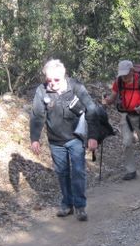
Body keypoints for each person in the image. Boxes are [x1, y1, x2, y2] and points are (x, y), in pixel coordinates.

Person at [30, 59, 98, 221]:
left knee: (78, 172)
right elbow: (37, 115)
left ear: (63, 76)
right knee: (62, 173)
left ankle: (80, 206)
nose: (52, 84)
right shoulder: (42, 91)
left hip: (76, 138)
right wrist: (35, 138)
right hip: (55, 141)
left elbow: (92, 110)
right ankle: (67, 204)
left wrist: (93, 136)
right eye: (49, 80)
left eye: (56, 80)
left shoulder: (76, 87)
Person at [103, 60, 140, 180]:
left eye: (126, 74)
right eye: (122, 74)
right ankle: (131, 170)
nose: (124, 76)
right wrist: (106, 101)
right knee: (126, 143)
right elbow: (112, 98)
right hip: (126, 115)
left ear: (132, 71)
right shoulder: (118, 82)